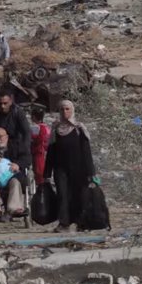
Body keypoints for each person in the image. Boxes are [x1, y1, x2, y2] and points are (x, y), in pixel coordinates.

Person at [46, 100, 96, 233]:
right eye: (62, 110)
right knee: (62, 195)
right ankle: (64, 223)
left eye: (67, 109)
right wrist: (47, 173)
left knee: (79, 195)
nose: (65, 112)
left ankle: (82, 223)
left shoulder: (79, 129)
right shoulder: (56, 129)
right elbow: (50, 152)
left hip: (79, 169)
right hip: (60, 168)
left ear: (72, 110)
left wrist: (91, 172)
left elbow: (86, 152)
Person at [0, 91, 31, 212]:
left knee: (15, 180)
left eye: (5, 103)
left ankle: (14, 208)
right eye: (0, 103)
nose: (2, 106)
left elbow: (26, 133)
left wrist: (20, 159)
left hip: (15, 148)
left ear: (11, 101)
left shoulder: (18, 113)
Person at [30, 108, 51, 185]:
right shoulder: (47, 127)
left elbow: (32, 140)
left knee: (38, 173)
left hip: (38, 153)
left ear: (34, 117)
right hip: (45, 153)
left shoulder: (35, 127)